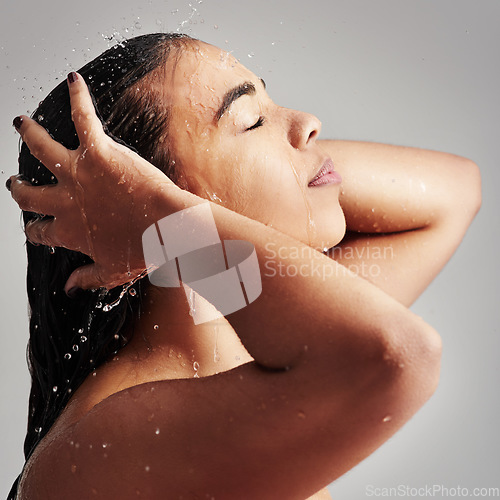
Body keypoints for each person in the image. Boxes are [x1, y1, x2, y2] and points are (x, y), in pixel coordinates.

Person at [6, 32, 480, 499]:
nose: (308, 122)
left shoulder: (263, 341)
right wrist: (157, 219)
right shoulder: (108, 437)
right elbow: (397, 356)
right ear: (149, 198)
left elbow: (454, 193)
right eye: (252, 120)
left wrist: (164, 225)